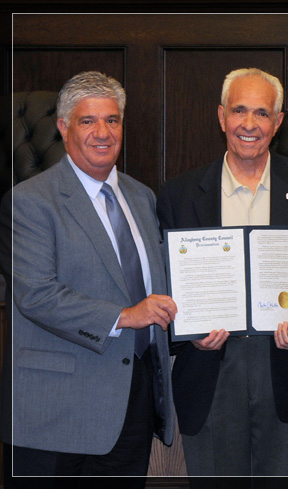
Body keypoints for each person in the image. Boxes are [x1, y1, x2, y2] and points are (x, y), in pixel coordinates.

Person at [156, 68, 288, 480]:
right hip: (209, 374)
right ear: (221, 117)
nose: (249, 124)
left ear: (278, 121)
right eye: (239, 110)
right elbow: (164, 282)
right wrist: (185, 329)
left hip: (286, 371)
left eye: (262, 112)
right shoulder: (178, 194)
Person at [3, 71, 177, 484]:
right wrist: (124, 316)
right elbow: (36, 295)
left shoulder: (142, 196)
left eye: (112, 120)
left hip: (131, 404)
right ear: (63, 127)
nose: (103, 132)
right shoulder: (29, 202)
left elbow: (158, 285)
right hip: (55, 411)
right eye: (88, 121)